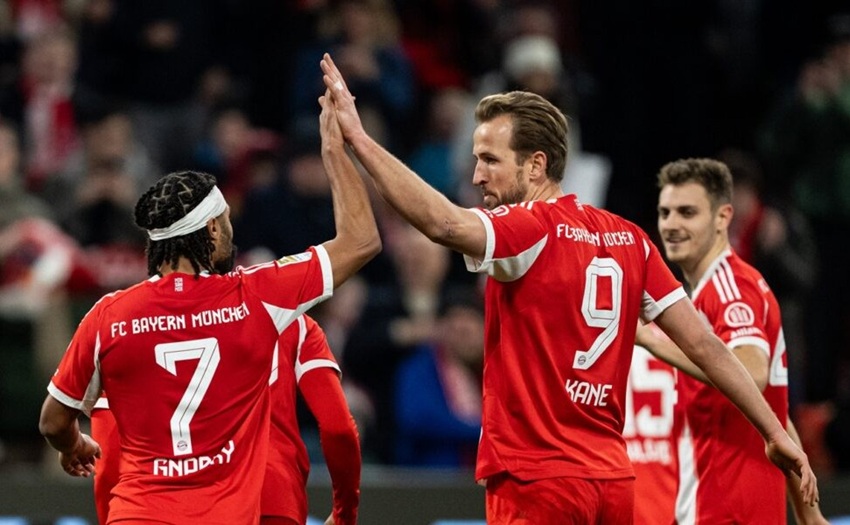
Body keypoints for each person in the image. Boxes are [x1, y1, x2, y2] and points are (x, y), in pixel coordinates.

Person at [318, 52, 817, 522]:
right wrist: (774, 431)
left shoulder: (528, 228)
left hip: (536, 480)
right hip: (612, 482)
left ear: (536, 165)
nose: (477, 175)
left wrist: (359, 140)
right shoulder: (631, 239)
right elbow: (707, 345)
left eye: (491, 160)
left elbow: (443, 224)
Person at [37, 85, 380, 523]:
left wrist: (73, 445)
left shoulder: (109, 316)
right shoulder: (257, 297)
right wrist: (335, 150)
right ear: (213, 231)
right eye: (226, 221)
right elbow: (362, 241)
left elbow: (52, 421)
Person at [635, 157, 826, 523]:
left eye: (687, 212)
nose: (671, 225)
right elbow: (772, 411)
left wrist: (652, 341)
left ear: (723, 218)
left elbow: (751, 374)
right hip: (721, 508)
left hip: (728, 510)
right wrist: (810, 515)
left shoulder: (730, 289)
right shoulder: (709, 294)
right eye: (665, 213)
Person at [90, 314, 360, 525]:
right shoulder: (291, 320)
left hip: (164, 502)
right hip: (271, 497)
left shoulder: (131, 324)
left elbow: (109, 454)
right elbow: (339, 429)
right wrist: (344, 512)